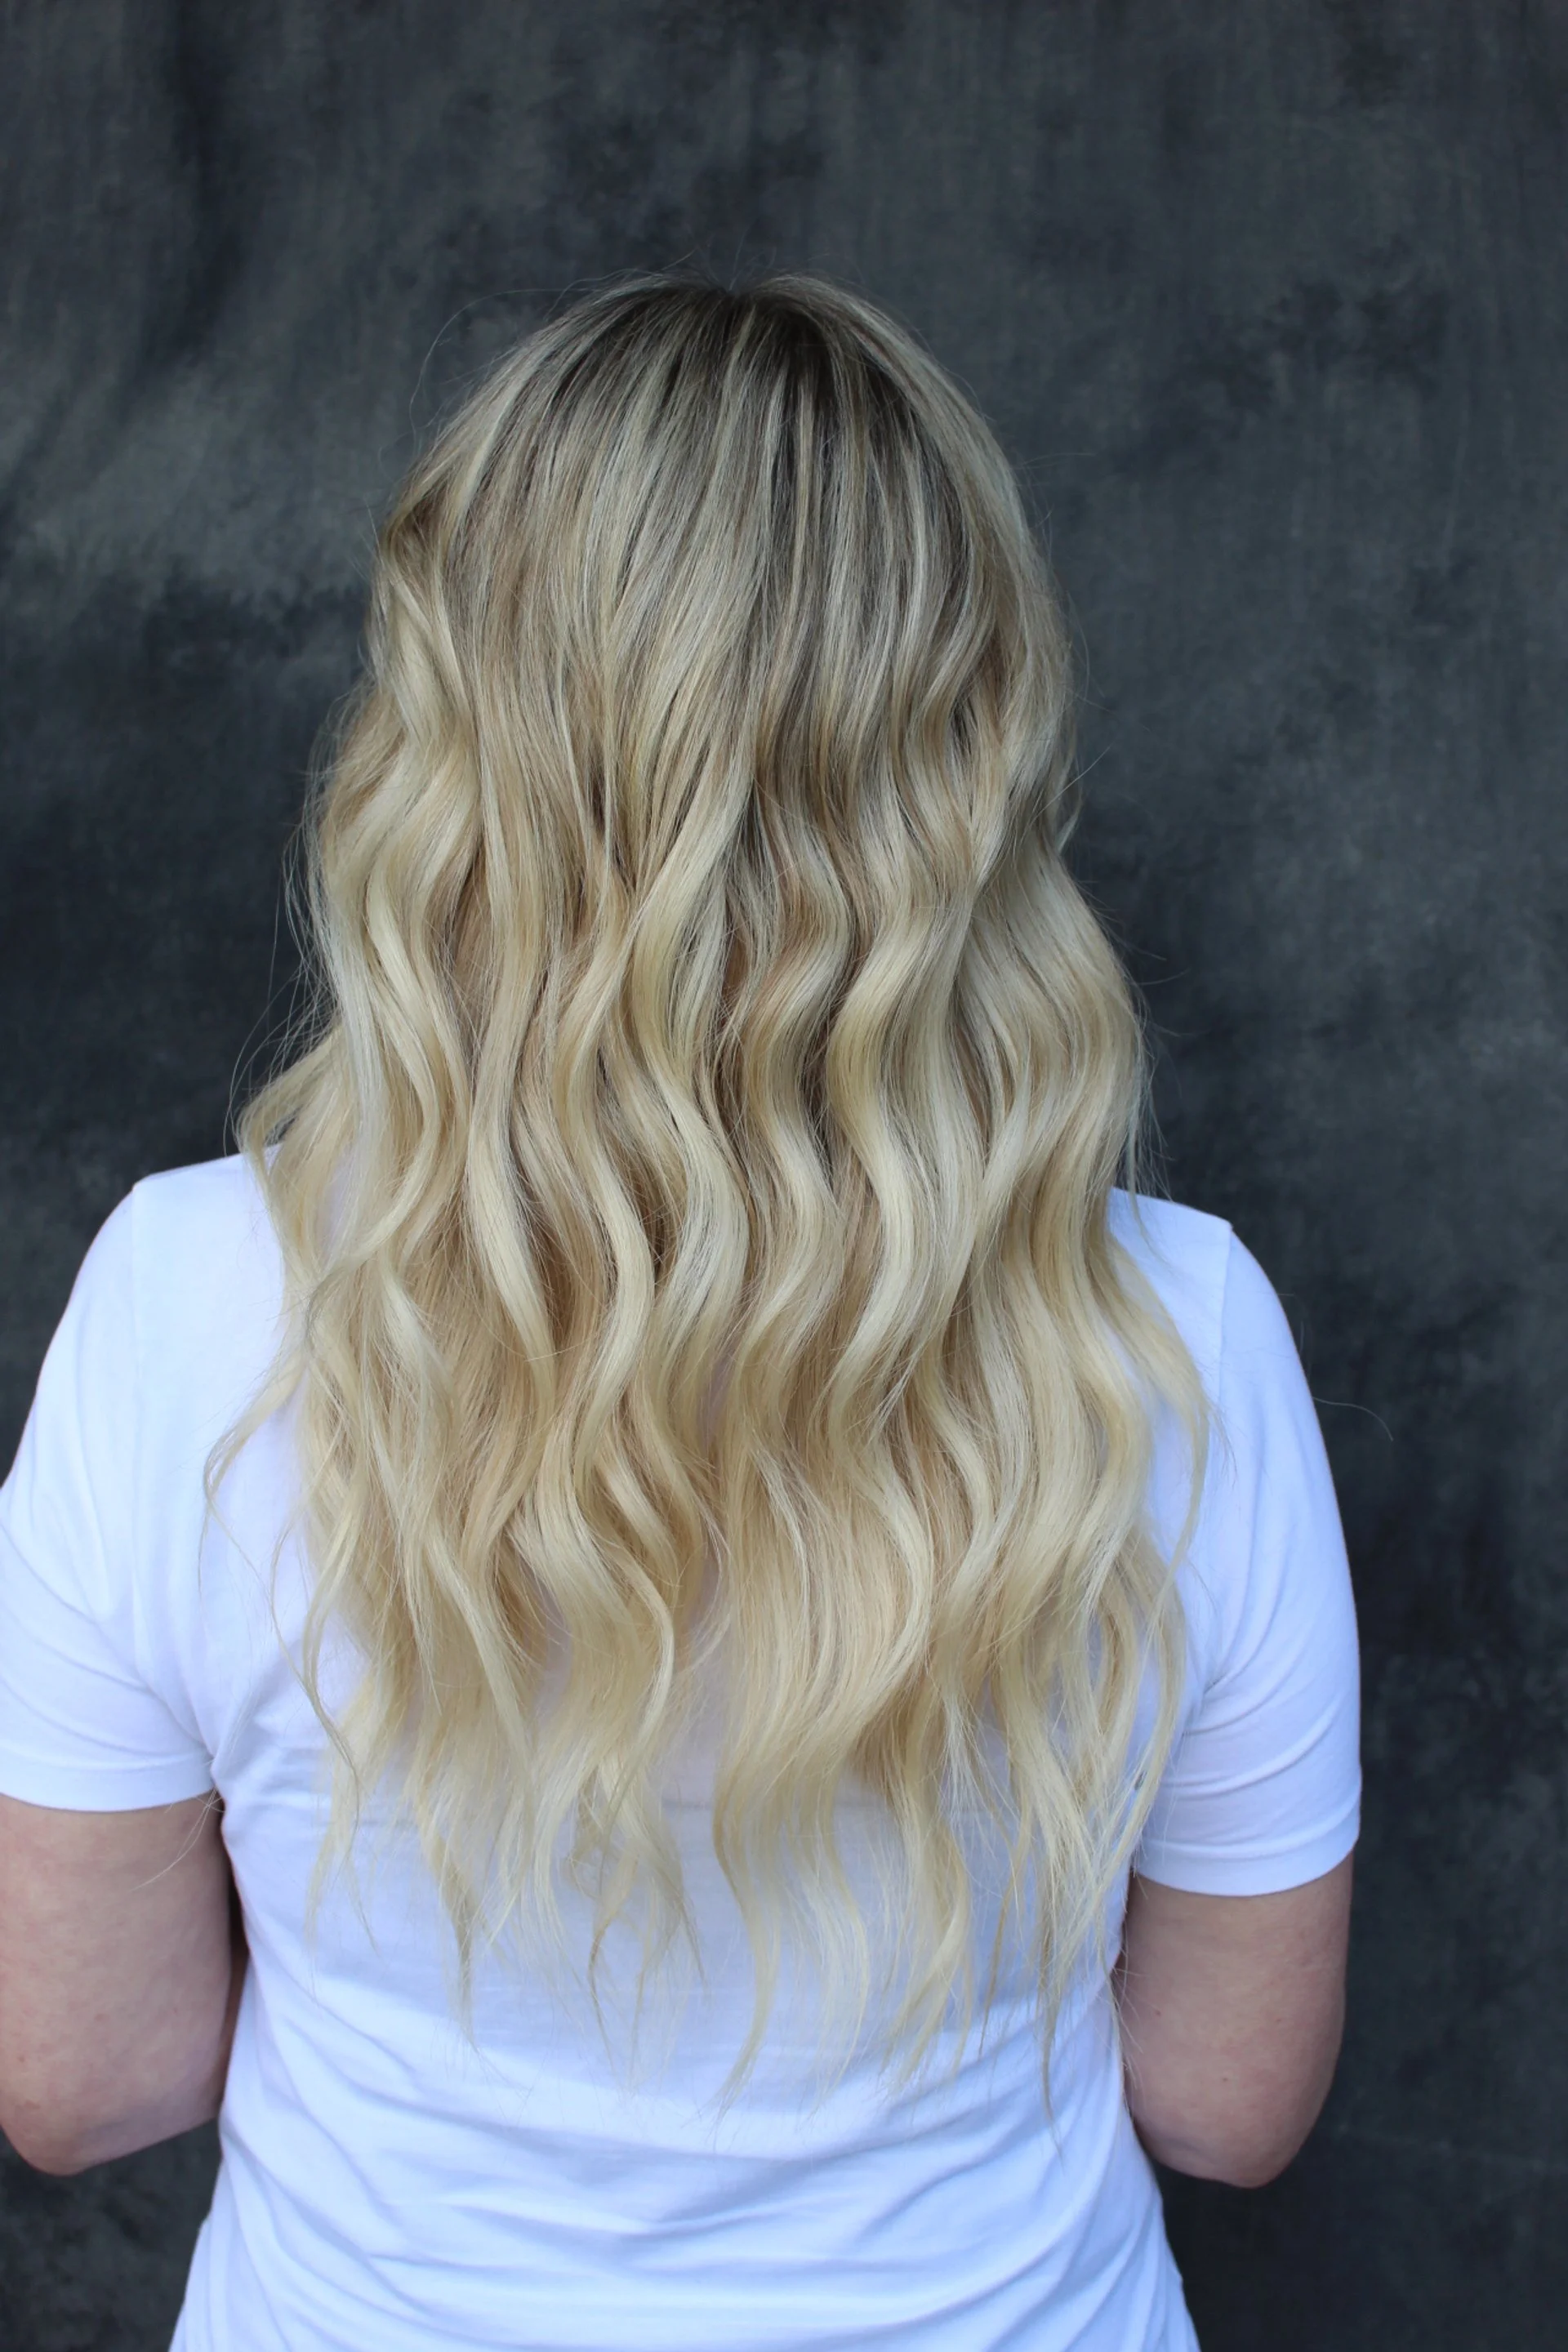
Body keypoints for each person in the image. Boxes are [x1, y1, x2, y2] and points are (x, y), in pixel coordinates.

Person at [0, 274, 1359, 2352]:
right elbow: (1227, 2101)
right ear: (970, 740)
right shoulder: (1180, 1336)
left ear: (455, 737)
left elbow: (86, 2080)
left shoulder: (179, 1300)